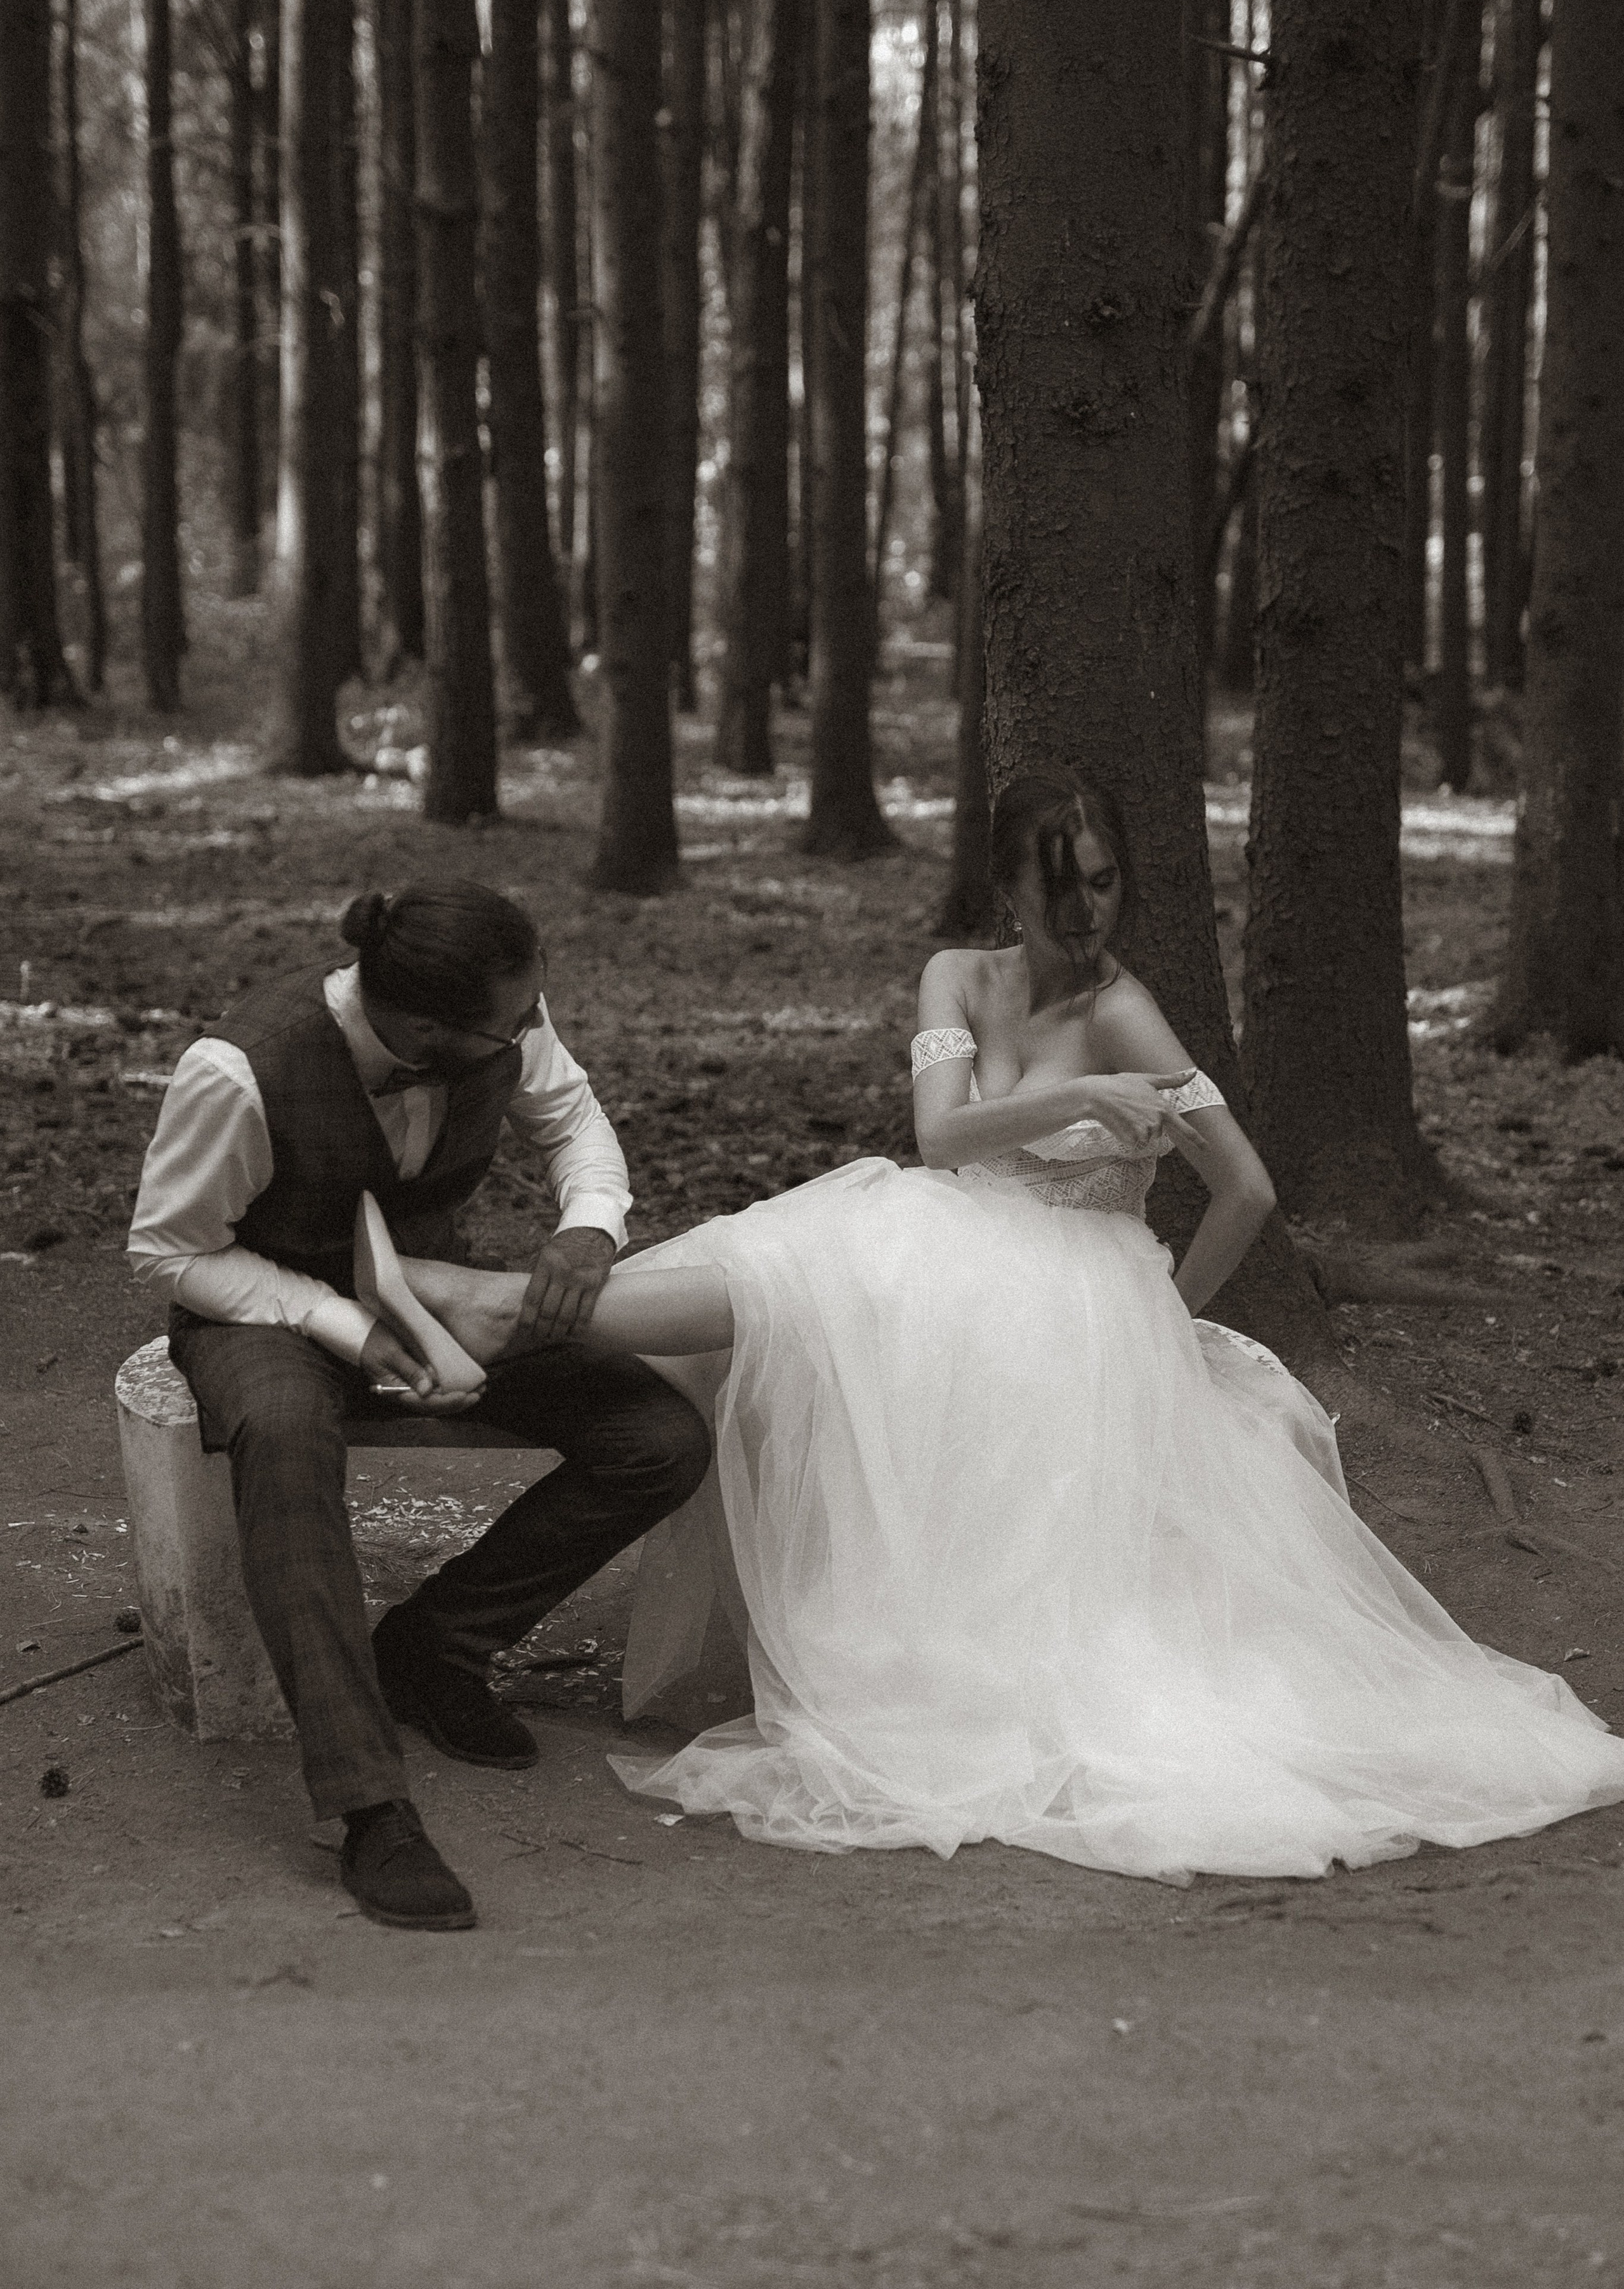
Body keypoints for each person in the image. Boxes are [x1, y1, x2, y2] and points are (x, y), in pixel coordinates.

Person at [391, 773, 1624, 1885]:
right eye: (1056, 888)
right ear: (1005, 893)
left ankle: (482, 1303)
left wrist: (1158, 1317)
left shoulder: (1128, 1013)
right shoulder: (955, 982)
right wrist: (1077, 1096)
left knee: (824, 1280)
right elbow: (934, 1136)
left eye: (1100, 884)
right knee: (785, 1262)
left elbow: (1245, 1191)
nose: (1082, 911)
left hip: (1072, 1287)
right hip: (950, 1229)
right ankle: (490, 1306)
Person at [127, 882, 710, 1931]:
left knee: (658, 1437)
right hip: (265, 1310)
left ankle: (437, 1642)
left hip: (434, 1294)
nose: (532, 1030)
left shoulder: (498, 1023)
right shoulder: (238, 1073)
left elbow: (575, 1123)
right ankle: (368, 1805)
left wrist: (591, 1227)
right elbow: (172, 1249)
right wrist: (345, 1327)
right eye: (514, 1021)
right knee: (288, 1441)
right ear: (427, 1027)